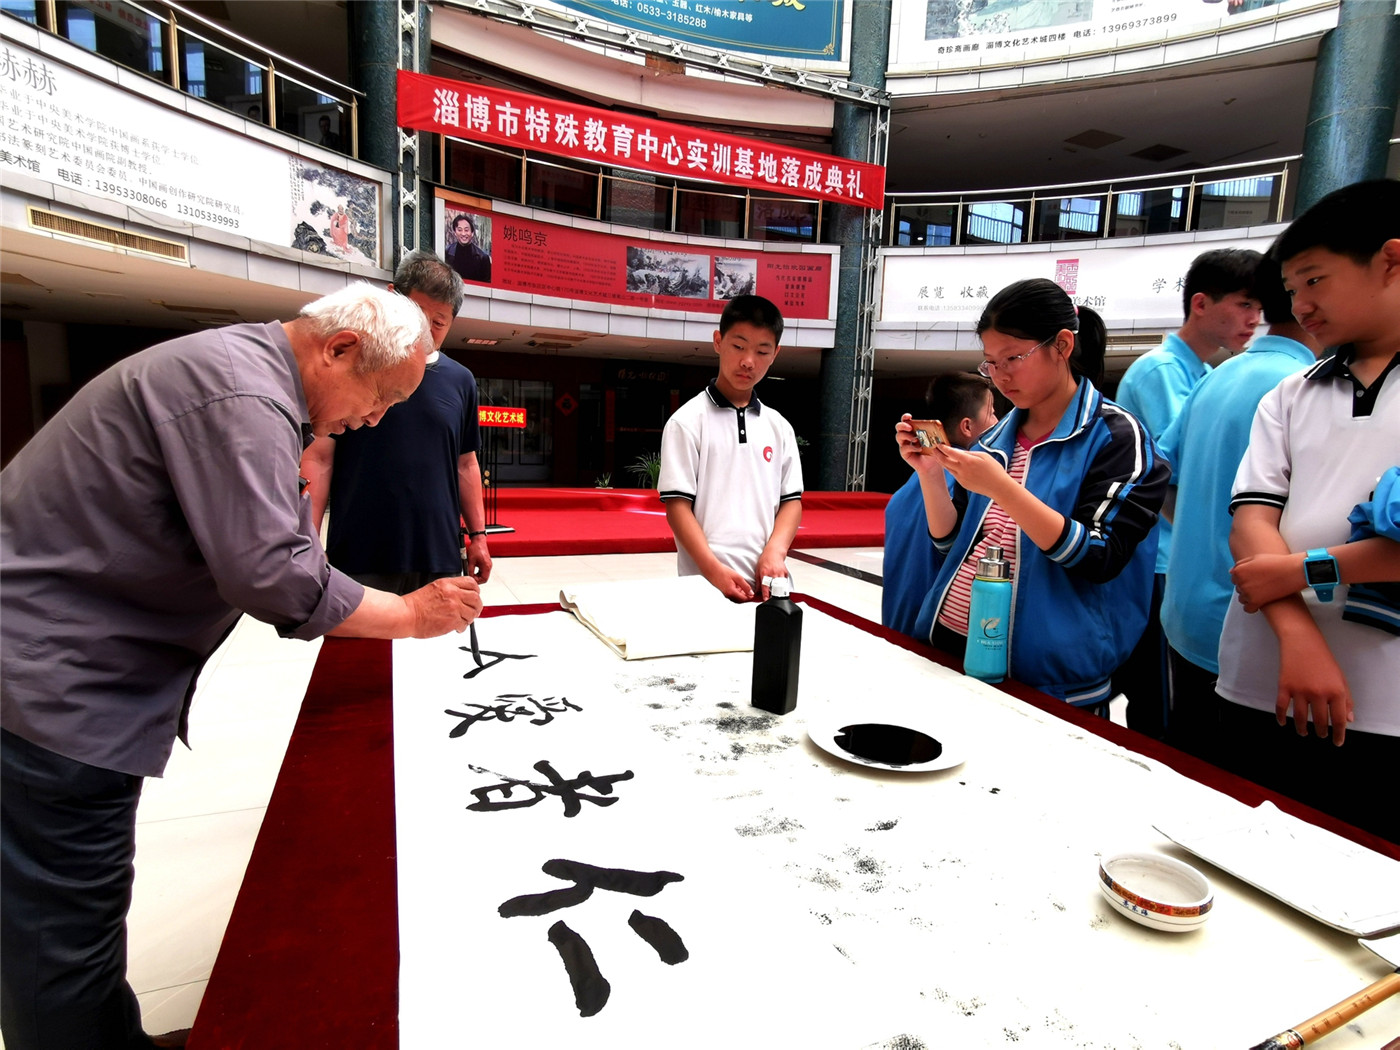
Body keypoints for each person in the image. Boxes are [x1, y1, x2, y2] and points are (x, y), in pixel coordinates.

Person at [0, 283, 483, 1050]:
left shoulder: (248, 375)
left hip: (63, 672)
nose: (374, 420)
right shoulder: (241, 393)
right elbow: (273, 571)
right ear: (340, 349)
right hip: (51, 688)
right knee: (58, 941)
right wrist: (412, 616)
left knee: (70, 925)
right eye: (380, 398)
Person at [1214, 178, 1400, 842]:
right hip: (1263, 679)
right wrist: (1298, 635)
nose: (1301, 305)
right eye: (1292, 290)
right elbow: (1252, 523)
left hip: (1383, 707)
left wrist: (1299, 573)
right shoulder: (1292, 394)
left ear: (1391, 259)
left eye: (1315, 280)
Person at [899, 279, 1167, 708]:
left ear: (1061, 345)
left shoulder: (1117, 437)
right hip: (952, 644)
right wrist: (931, 475)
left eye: (1013, 358)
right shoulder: (996, 439)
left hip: (1048, 679)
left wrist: (1002, 489)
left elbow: (1099, 555)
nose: (1001, 375)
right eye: (990, 363)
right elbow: (951, 544)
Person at [1155, 252, 1323, 760]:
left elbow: (1160, 477)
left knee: (1193, 781)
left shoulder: (1216, 377)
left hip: (1187, 616)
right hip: (1253, 628)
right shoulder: (1305, 387)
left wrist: (1195, 533)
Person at [1112, 247, 1262, 738]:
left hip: (1179, 562)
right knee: (1162, 708)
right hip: (1161, 561)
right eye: (1243, 304)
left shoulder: (1202, 373)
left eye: (1258, 306)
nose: (1254, 318)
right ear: (1200, 303)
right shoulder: (1162, 371)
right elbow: (1182, 470)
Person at [301, 251, 492, 593]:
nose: (425, 331)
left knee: (435, 645)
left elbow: (466, 463)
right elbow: (319, 456)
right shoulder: (356, 362)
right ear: (392, 297)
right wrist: (308, 542)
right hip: (361, 553)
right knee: (359, 647)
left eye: (438, 322)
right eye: (417, 315)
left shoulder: (460, 380)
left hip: (437, 554)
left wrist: (477, 536)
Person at [658, 294, 802, 601]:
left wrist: (775, 553)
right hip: (704, 585)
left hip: (768, 584)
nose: (748, 361)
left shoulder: (779, 427)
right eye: (738, 346)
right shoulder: (687, 422)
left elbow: (791, 501)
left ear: (775, 354)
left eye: (762, 351)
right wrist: (713, 570)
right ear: (718, 341)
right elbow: (677, 508)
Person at [883, 372, 998, 636]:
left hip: (895, 627)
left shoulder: (905, 491)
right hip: (935, 634)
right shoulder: (973, 486)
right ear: (967, 427)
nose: (999, 422)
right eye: (992, 413)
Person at [446, 214, 492, 284]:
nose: (463, 234)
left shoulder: (483, 257)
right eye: (459, 230)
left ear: (472, 233)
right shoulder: (447, 252)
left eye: (466, 230)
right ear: (455, 232)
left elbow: (487, 284)